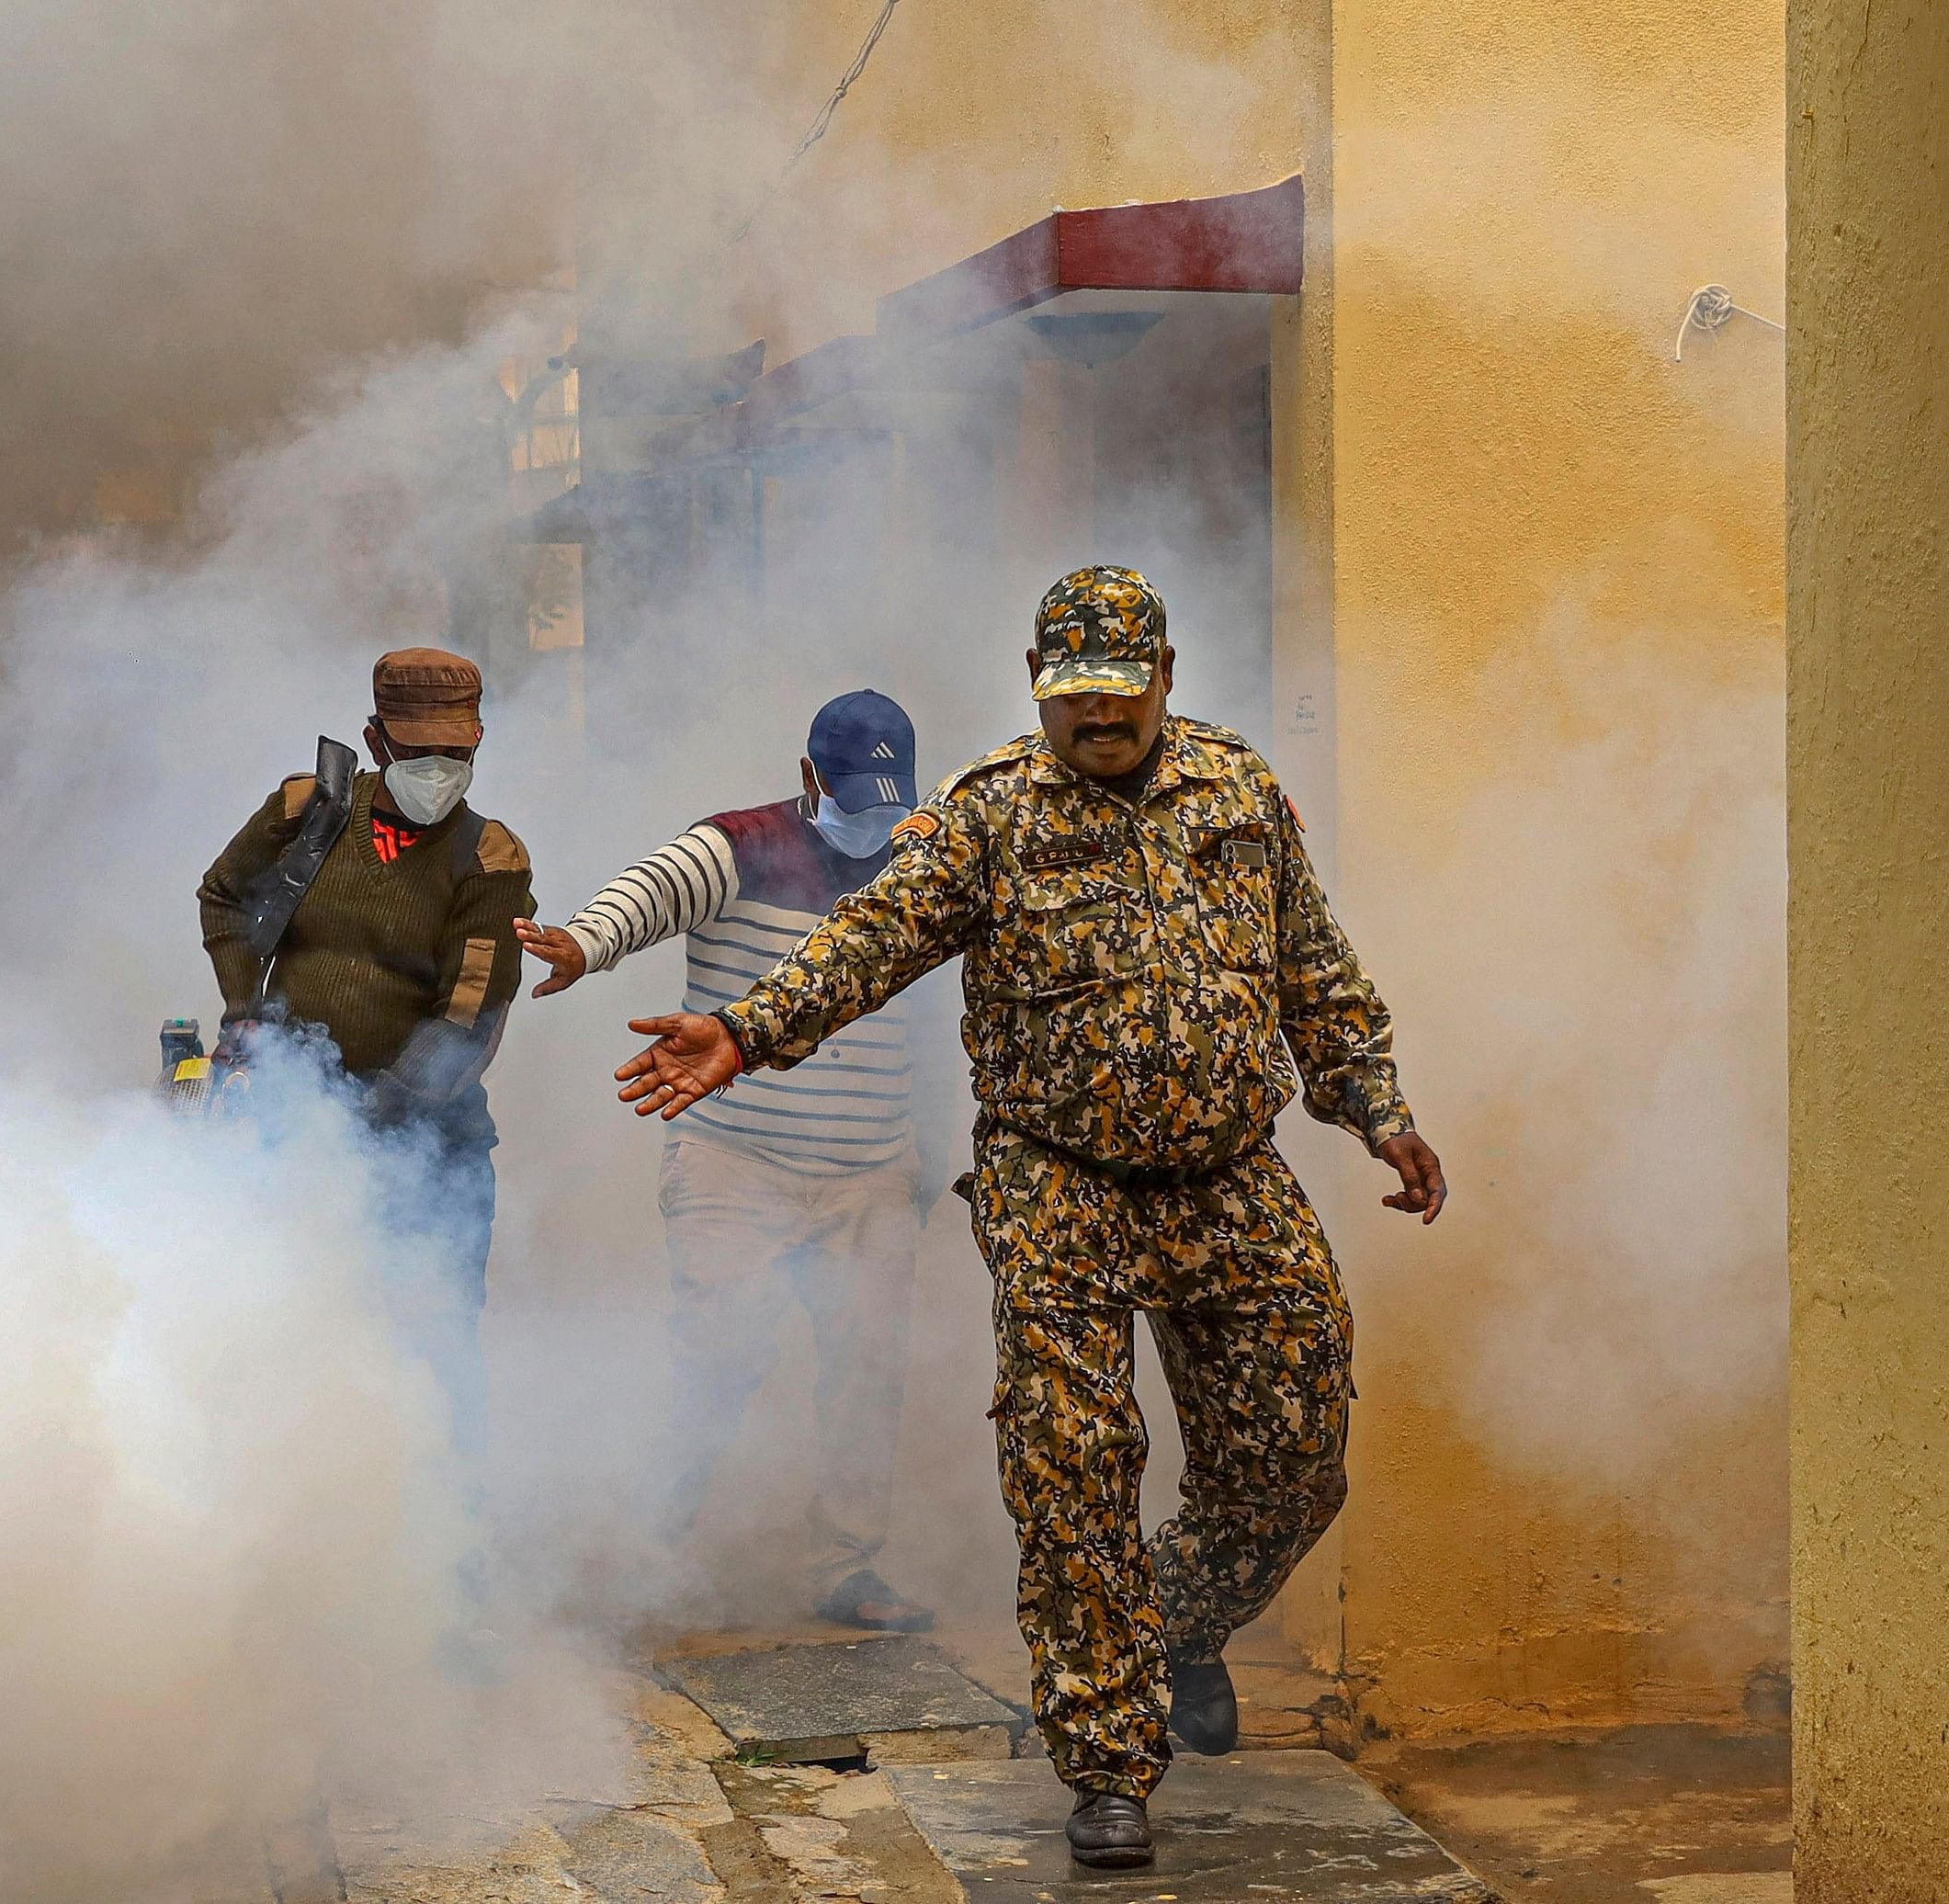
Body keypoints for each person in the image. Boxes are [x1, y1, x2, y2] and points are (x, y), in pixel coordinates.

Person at [607, 568, 1446, 1872]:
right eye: (1070, 701)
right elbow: (868, 939)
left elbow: (1312, 969)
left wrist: (1374, 1108)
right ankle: (1107, 1759)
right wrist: (743, 1027)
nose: (1095, 722)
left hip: (1228, 1173)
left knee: (1293, 1452)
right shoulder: (985, 812)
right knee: (1071, 1460)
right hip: (1056, 1181)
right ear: (1035, 688)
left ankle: (1171, 1625)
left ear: (1162, 675)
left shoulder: (1237, 791)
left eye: (1117, 696)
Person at [514, 689, 943, 1634]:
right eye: (851, 797)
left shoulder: (925, 857)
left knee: (868, 1368)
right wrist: (582, 943)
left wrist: (925, 1164)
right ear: (806, 778)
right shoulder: (738, 844)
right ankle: (641, 1558)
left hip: (870, 1166)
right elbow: (647, 892)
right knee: (714, 1353)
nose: (870, 820)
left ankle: (845, 1565)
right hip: (733, 1160)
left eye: (886, 799)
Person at [198, 647, 534, 1454]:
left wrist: (374, 1120)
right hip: (285, 1127)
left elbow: (468, 1012)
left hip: (428, 1146)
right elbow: (224, 896)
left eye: (455, 753)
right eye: (418, 753)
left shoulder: (489, 860)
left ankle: (447, 1550)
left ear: (479, 742)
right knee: (281, 1344)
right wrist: (245, 1009)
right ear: (375, 740)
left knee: (430, 1353)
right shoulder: (306, 810)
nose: (438, 769)